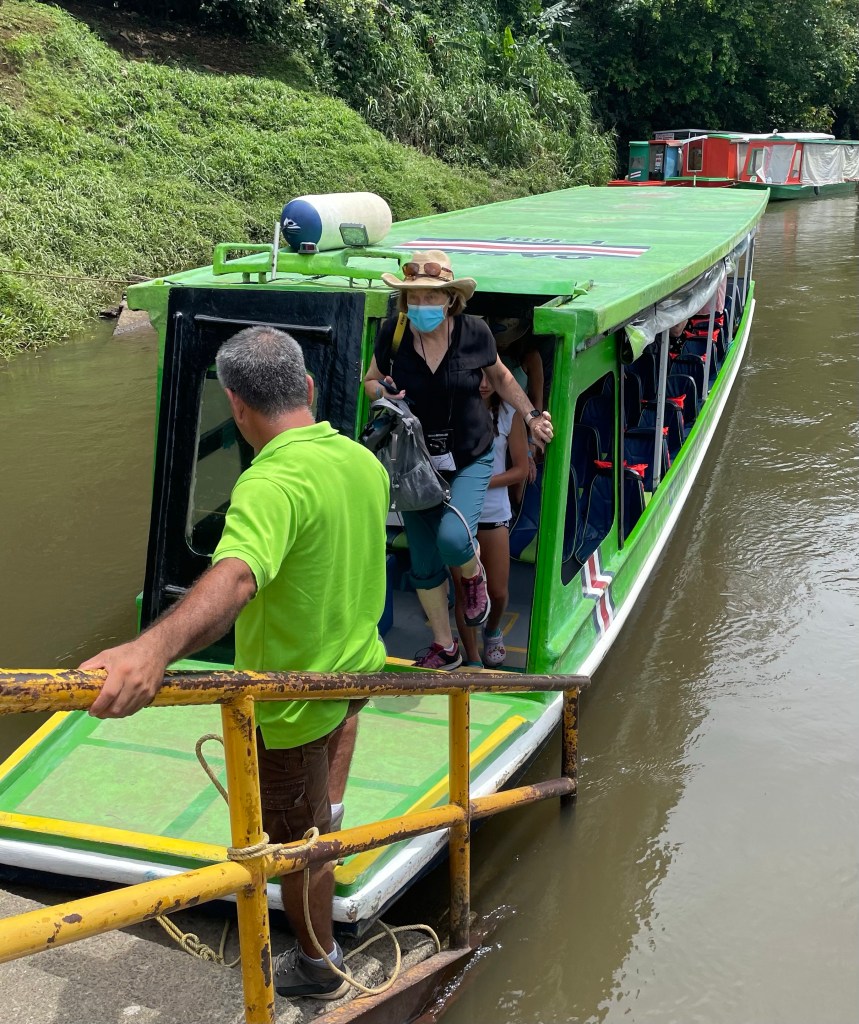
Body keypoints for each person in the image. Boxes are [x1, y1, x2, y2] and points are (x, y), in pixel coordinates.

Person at [81, 326, 389, 1002]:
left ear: (236, 405)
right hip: (354, 677)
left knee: (295, 848)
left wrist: (150, 649)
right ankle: (327, 836)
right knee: (322, 818)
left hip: (289, 708)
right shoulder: (360, 460)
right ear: (307, 388)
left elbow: (239, 576)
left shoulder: (269, 482)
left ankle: (320, 968)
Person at [364, 250, 553, 671]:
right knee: (424, 562)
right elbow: (371, 381)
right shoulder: (392, 333)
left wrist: (531, 415)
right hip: (416, 462)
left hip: (470, 456)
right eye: (414, 297)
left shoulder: (474, 332)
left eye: (432, 297)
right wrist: (382, 393)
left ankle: (474, 578)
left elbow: (501, 376)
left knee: (453, 538)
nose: (422, 305)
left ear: (451, 299)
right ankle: (445, 646)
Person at [454, 373, 529, 667]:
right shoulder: (453, 410)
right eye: (477, 376)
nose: (484, 384)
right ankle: (473, 659)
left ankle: (493, 629)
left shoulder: (510, 413)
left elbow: (521, 469)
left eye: (490, 377)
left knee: (497, 593)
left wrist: (480, 483)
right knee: (464, 595)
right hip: (460, 514)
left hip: (495, 514)